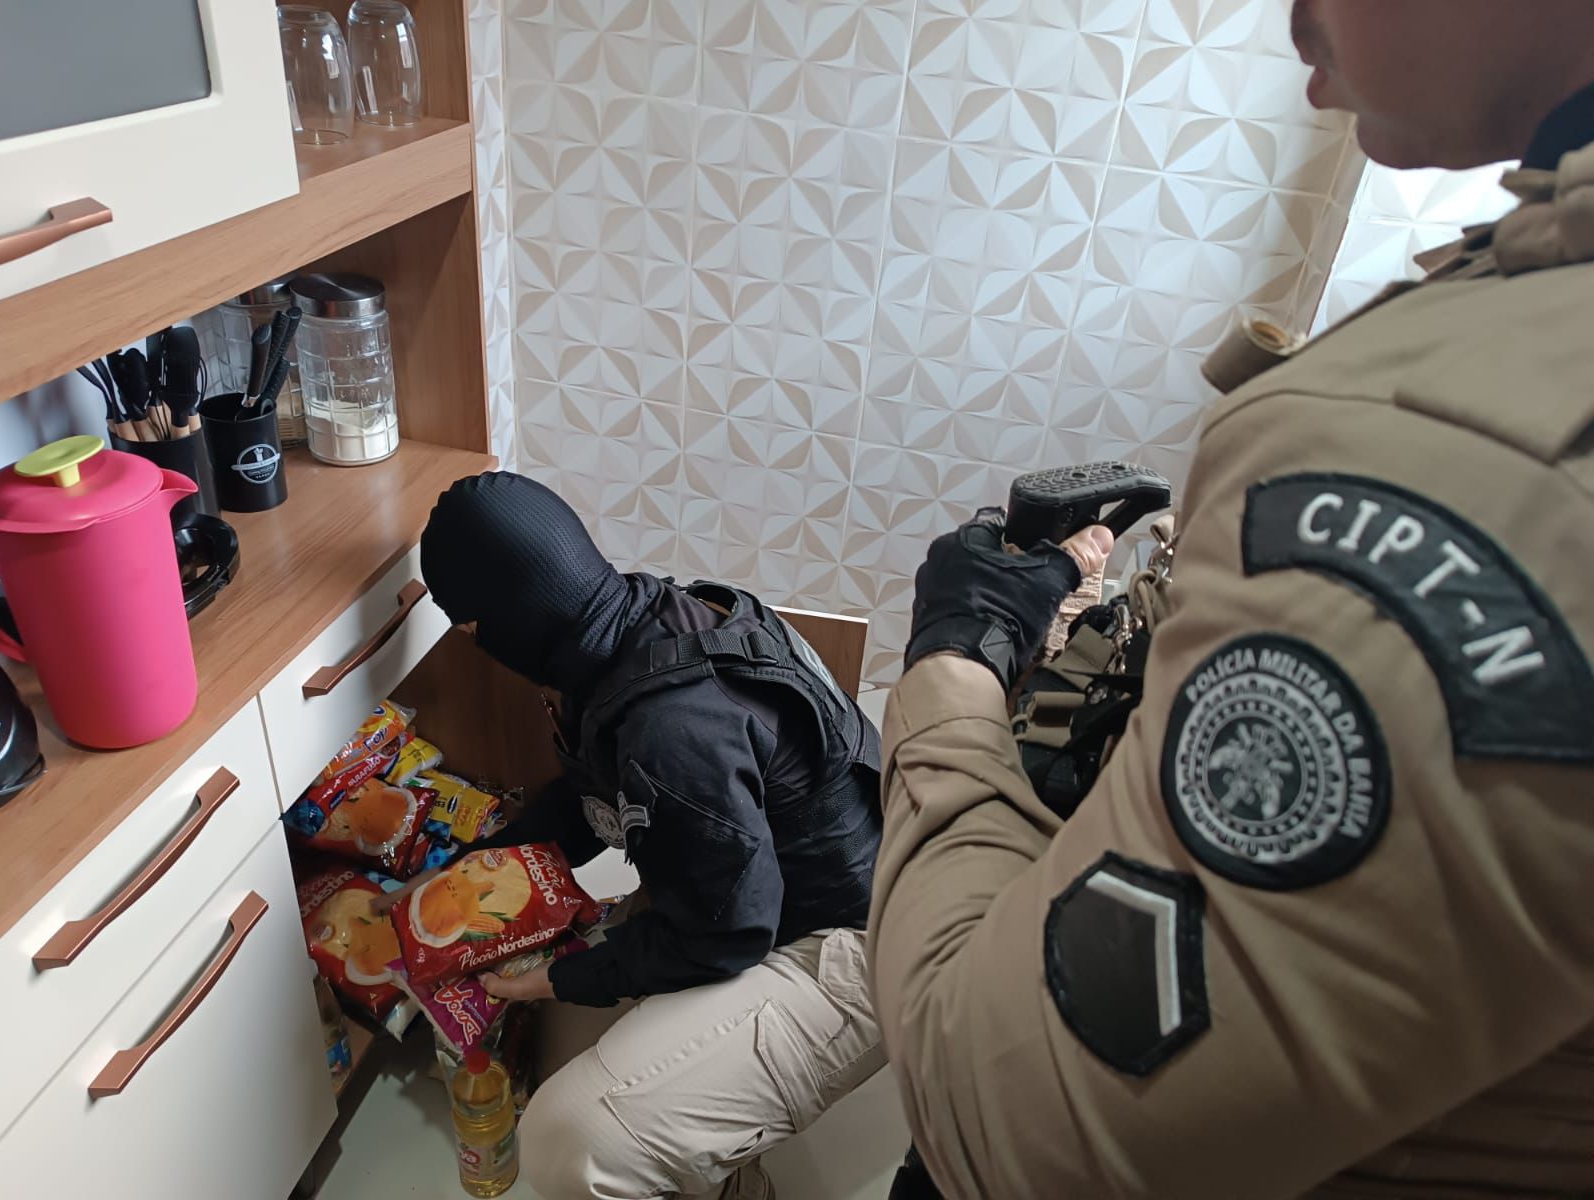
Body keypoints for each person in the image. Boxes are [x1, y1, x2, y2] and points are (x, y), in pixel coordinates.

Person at [868, 2, 1594, 1197]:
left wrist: (951, 661)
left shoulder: (1467, 459)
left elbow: (1000, 1126)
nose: (1298, 25)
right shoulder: (1534, 270)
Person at [410, 471, 886, 1199]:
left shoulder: (671, 726)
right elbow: (592, 801)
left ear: (491, 626)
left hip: (852, 950)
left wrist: (554, 977)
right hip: (784, 886)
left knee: (571, 1139)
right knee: (562, 1050)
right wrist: (462, 875)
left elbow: (731, 933)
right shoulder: (647, 622)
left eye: (470, 631)